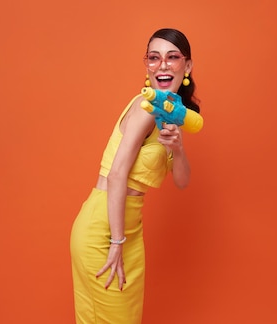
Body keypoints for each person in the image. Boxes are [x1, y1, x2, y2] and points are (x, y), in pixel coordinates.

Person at [70, 28, 201, 323]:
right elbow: (117, 175)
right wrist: (116, 241)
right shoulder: (145, 109)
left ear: (187, 66)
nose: (163, 65)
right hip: (103, 232)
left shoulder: (168, 112)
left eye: (172, 57)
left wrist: (178, 149)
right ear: (147, 66)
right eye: (154, 58)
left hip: (129, 233)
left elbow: (182, 181)